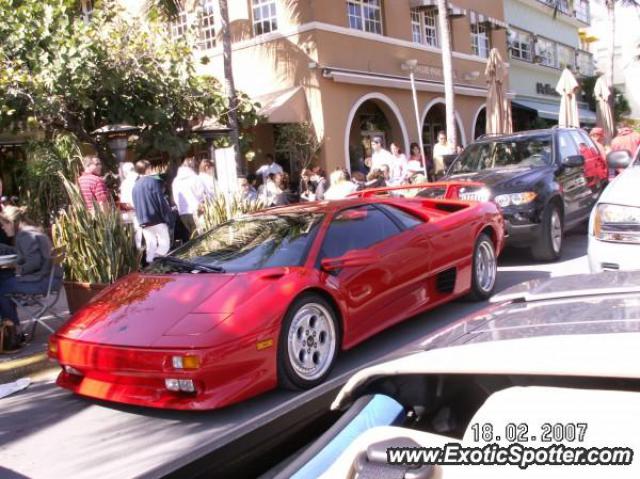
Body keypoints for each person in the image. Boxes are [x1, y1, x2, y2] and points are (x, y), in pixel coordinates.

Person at [0, 207, 62, 338]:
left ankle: (13, 330)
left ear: (11, 222)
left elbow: (34, 263)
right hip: (50, 278)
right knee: (5, 280)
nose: (3, 229)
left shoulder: (24, 236)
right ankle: (13, 327)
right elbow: (26, 255)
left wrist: (17, 269)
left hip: (42, 281)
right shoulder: (29, 231)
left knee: (2, 287)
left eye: (3, 225)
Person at [132, 160, 173, 264]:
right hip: (156, 217)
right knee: (164, 243)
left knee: (151, 244)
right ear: (148, 168)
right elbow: (160, 200)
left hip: (143, 220)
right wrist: (168, 217)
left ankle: (150, 263)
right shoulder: (152, 181)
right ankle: (156, 259)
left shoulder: (135, 185)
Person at [172, 157, 205, 238]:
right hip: (196, 211)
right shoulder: (195, 178)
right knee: (201, 236)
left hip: (183, 213)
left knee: (193, 236)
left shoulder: (175, 181)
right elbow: (201, 194)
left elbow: (175, 198)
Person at [119, 162, 142, 250]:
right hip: (139, 212)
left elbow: (124, 202)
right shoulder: (139, 179)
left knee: (136, 237)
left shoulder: (125, 183)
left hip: (130, 213)